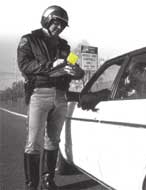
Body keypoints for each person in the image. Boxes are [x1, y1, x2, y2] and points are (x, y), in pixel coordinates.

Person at [17, 5, 84, 190]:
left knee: (53, 139)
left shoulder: (65, 46)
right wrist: (51, 65)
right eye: (57, 23)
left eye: (63, 25)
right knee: (33, 142)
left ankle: (48, 181)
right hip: (39, 93)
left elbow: (71, 65)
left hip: (61, 96)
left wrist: (76, 71)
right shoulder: (29, 40)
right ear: (47, 19)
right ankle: (31, 185)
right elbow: (25, 65)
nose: (60, 28)